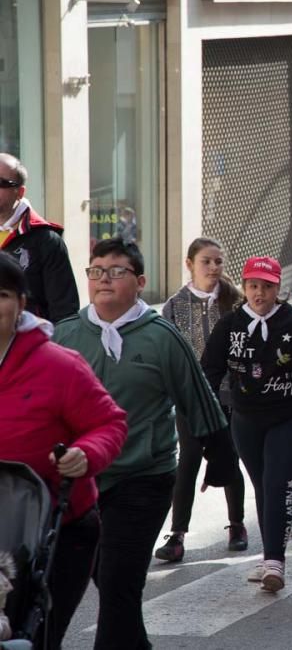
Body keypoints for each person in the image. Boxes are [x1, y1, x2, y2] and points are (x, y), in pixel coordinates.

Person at [53, 238, 235, 647]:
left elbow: (198, 399)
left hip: (143, 478)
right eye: (96, 271)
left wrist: (220, 457)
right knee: (108, 583)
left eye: (117, 271)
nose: (104, 279)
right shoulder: (65, 336)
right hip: (80, 484)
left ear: (140, 281)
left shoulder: (161, 337)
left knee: (118, 584)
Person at [0, 252, 127, 649]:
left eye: (1, 294)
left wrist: (84, 454)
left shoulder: (59, 365)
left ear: (21, 303)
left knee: (35, 638)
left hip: (57, 530)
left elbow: (109, 424)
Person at [201, 255, 292, 592]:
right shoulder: (230, 325)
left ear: (279, 288)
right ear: (244, 287)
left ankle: (275, 562)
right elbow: (209, 371)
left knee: (277, 483)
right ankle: (268, 557)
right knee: (264, 486)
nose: (260, 293)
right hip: (247, 420)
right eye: (253, 286)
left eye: (267, 286)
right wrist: (209, 415)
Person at [156, 238, 247, 563]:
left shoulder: (235, 301)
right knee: (189, 460)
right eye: (206, 261)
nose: (212, 268)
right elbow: (166, 350)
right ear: (190, 263)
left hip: (228, 395)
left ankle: (237, 524)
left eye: (218, 262)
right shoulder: (175, 305)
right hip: (191, 396)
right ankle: (178, 533)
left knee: (229, 457)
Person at [0, 153, 79, 322]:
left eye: (1, 183)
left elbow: (64, 314)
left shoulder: (46, 241)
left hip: (27, 344)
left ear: (19, 192)